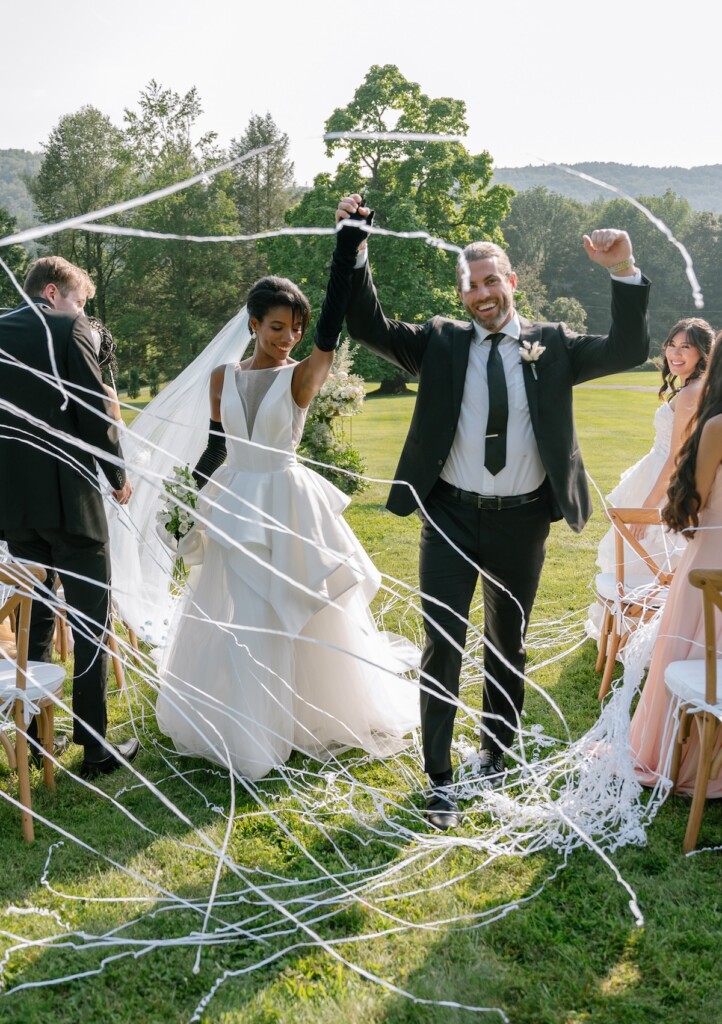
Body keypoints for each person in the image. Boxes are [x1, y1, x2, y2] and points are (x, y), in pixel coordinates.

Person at [336, 193, 650, 830]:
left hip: (523, 520)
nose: (481, 294)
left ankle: (496, 756)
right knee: (442, 645)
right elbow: (367, 325)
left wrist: (624, 271)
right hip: (448, 515)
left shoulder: (553, 345)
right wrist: (355, 244)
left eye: (490, 281)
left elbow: (627, 349)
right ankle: (440, 778)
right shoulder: (440, 342)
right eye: (470, 285)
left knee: (509, 642)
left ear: (511, 282)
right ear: (462, 295)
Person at [155, 239, 420, 781]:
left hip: (285, 503)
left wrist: (345, 249)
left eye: (295, 328)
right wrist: (188, 500)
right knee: (240, 615)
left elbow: (329, 328)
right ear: (253, 324)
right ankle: (250, 726)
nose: (288, 338)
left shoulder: (301, 375)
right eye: (278, 327)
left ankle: (293, 721)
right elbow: (215, 447)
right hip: (233, 503)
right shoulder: (221, 379)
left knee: (291, 614)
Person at [0, 256, 139, 778]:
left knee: (31, 618)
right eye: (82, 301)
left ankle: (37, 741)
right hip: (71, 501)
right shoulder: (66, 324)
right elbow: (91, 406)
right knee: (89, 619)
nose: (85, 312)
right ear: (55, 293)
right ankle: (96, 748)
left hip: (14, 507)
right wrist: (116, 473)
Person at [629, 334, 722, 793]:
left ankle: (675, 755)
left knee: (689, 645)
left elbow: (694, 501)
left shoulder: (717, 425)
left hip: (711, 549)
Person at [586, 317, 714, 641]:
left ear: (703, 353)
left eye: (686, 346)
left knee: (647, 558)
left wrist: (647, 506)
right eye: (672, 344)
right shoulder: (696, 388)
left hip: (664, 483)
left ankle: (636, 638)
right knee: (648, 561)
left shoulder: (690, 394)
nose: (675, 352)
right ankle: (636, 635)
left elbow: (676, 458)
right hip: (656, 474)